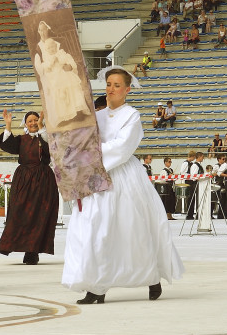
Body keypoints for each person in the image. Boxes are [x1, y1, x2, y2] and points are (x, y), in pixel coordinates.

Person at [62, 67, 184, 303]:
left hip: (121, 177)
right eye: (108, 84)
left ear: (127, 89)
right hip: (96, 178)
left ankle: (151, 276)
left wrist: (90, 153)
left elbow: (122, 148)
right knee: (95, 231)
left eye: (117, 85)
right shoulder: (95, 116)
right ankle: (95, 286)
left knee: (130, 231)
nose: (111, 89)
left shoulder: (132, 116)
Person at [0, 109, 60, 264]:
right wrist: (8, 125)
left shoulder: (47, 137)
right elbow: (7, 145)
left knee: (39, 216)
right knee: (19, 213)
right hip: (23, 180)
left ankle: (32, 252)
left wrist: (42, 127)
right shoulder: (21, 140)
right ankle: (11, 245)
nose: (33, 123)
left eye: (35, 120)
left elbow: (50, 149)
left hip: (43, 180)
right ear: (25, 123)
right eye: (30, 121)